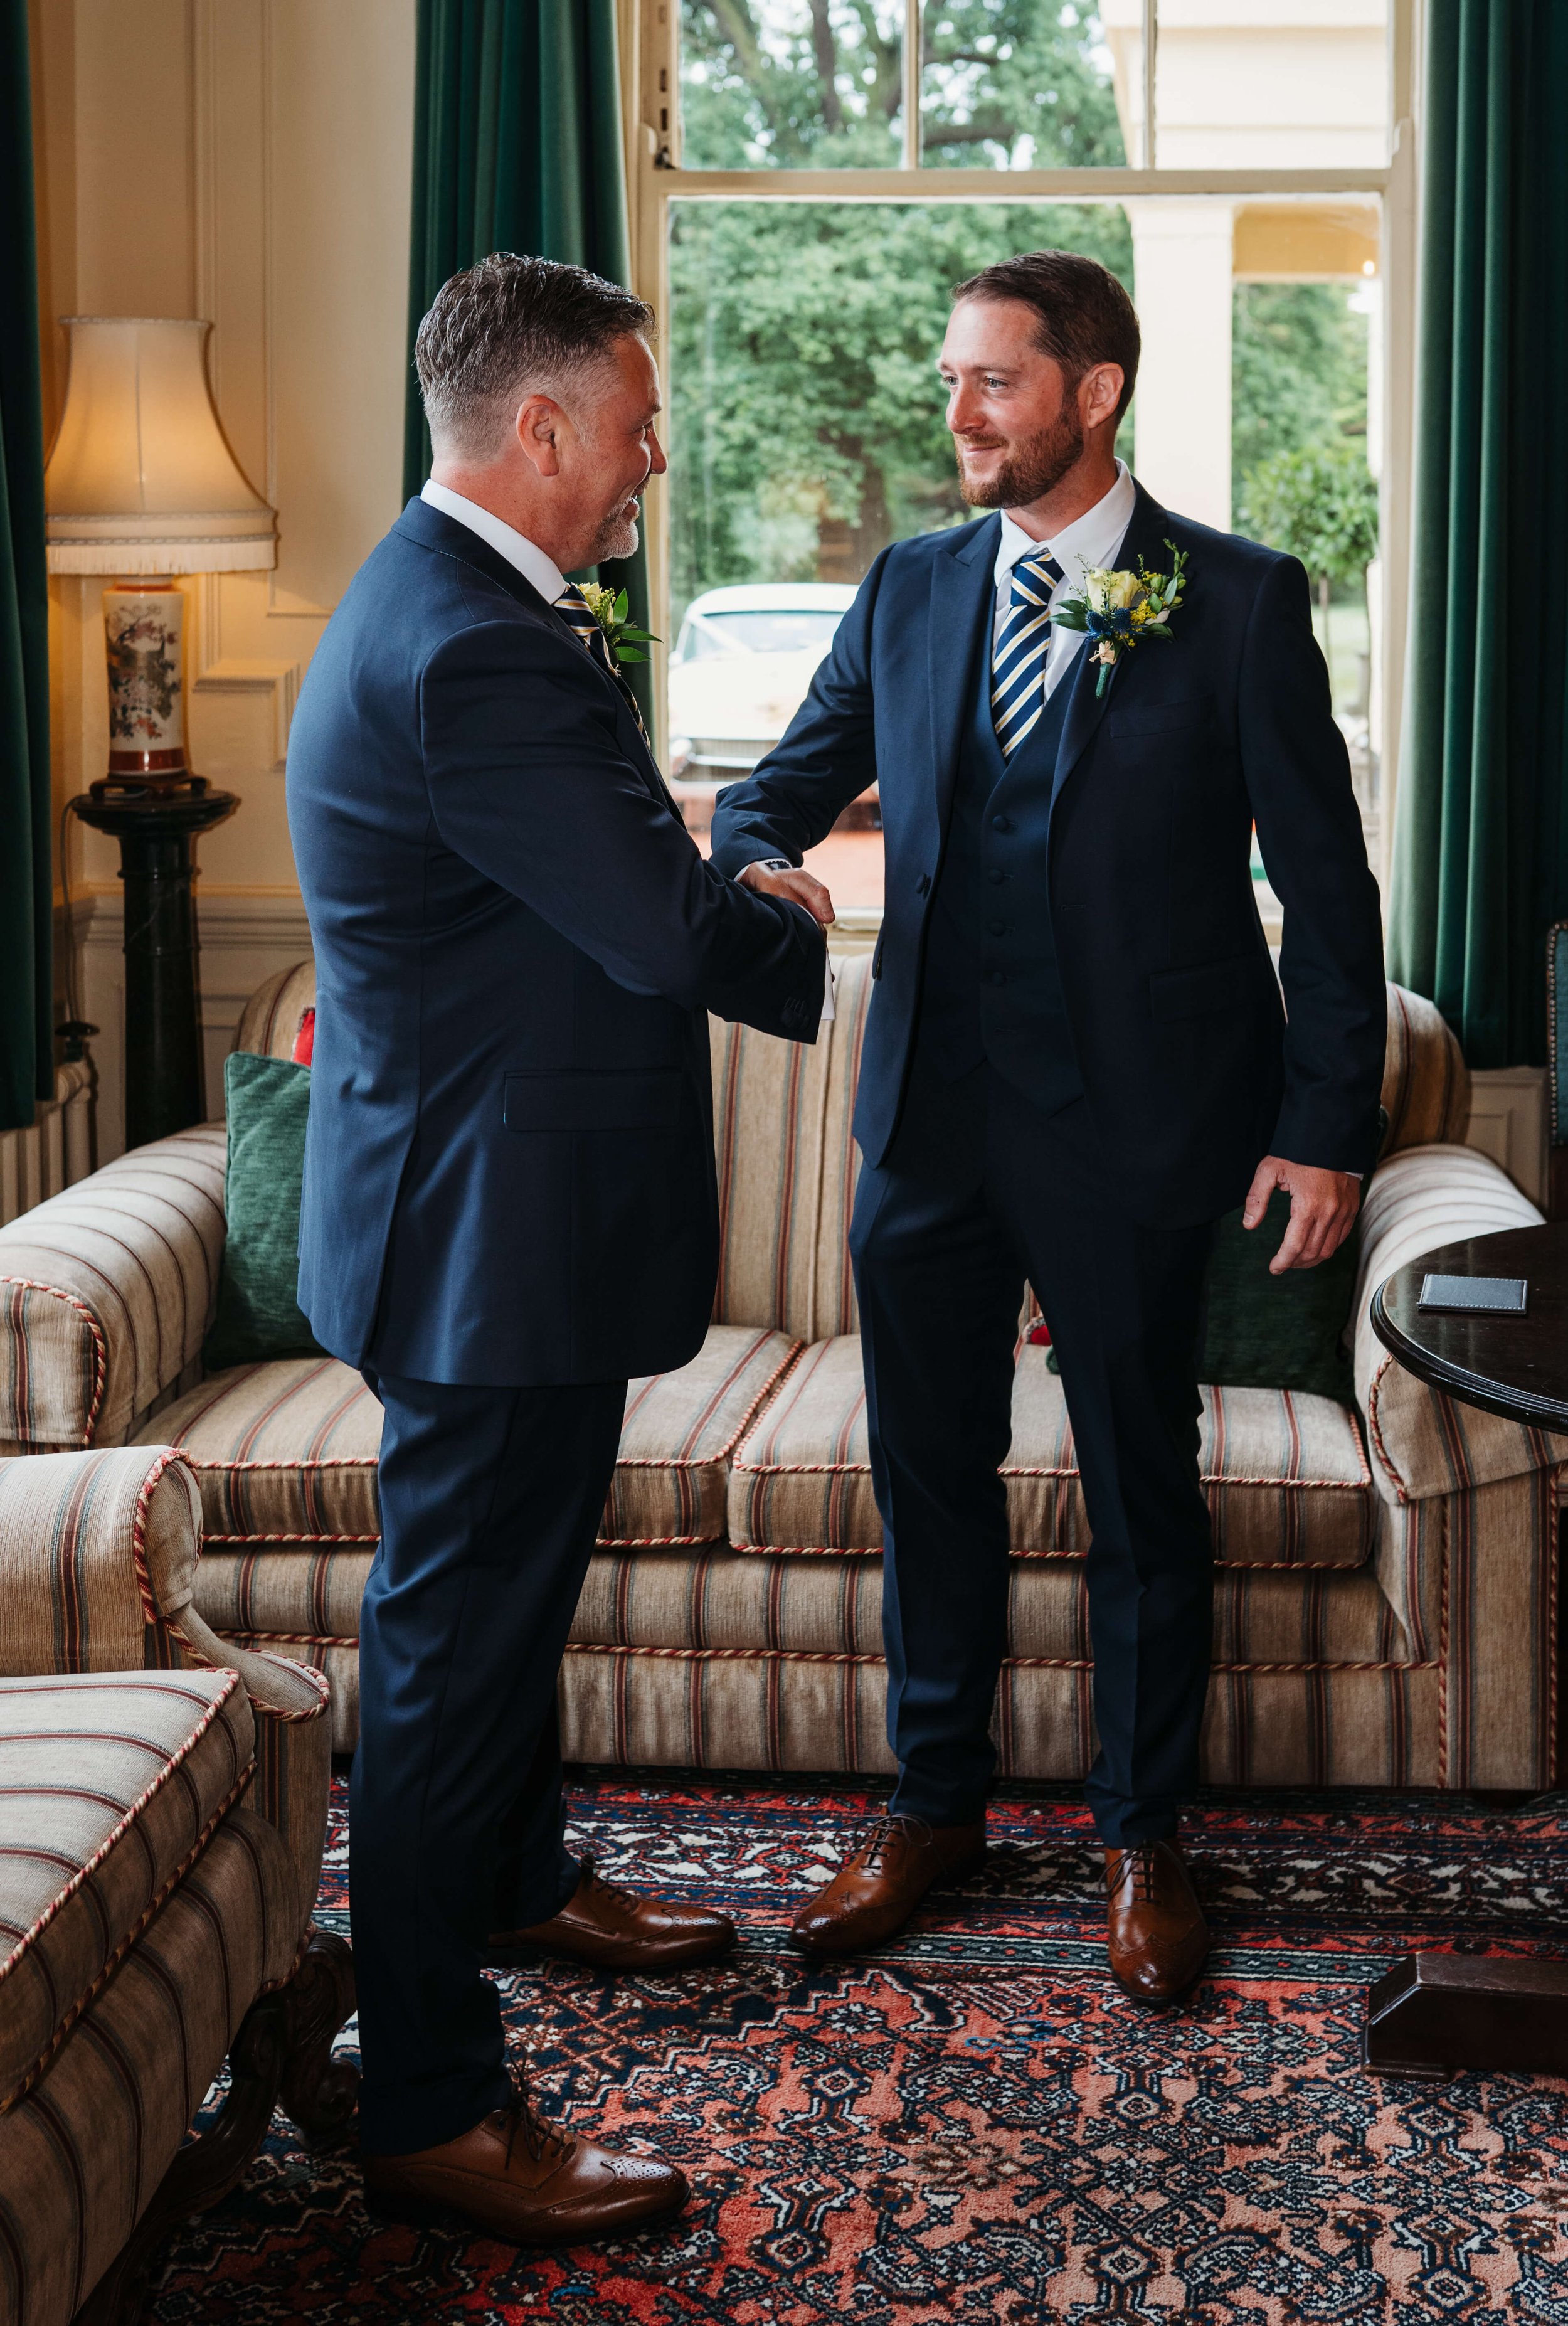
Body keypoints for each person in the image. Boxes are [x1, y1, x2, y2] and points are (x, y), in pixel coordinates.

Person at [709, 250, 1385, 2005]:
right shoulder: (914, 587)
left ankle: (1143, 1833)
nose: (955, 414)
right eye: (950, 381)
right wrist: (744, 855)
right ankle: (933, 1803)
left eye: (990, 383)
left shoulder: (1233, 601)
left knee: (1137, 1486)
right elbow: (788, 775)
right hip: (927, 1120)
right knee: (924, 1474)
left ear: (1091, 392)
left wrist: (1324, 1124)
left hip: (1141, 1129)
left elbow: (1326, 885)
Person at [286, 253, 828, 2244]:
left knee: (495, 1623)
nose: (651, 457)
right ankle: (429, 2095)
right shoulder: (478, 644)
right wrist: (782, 903)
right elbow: (675, 928)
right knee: (447, 1655)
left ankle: (518, 1883)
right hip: (485, 1242)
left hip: (487, 1218)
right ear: (537, 433)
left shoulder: (454, 599)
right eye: (631, 421)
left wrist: (689, 860)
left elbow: (596, 876)